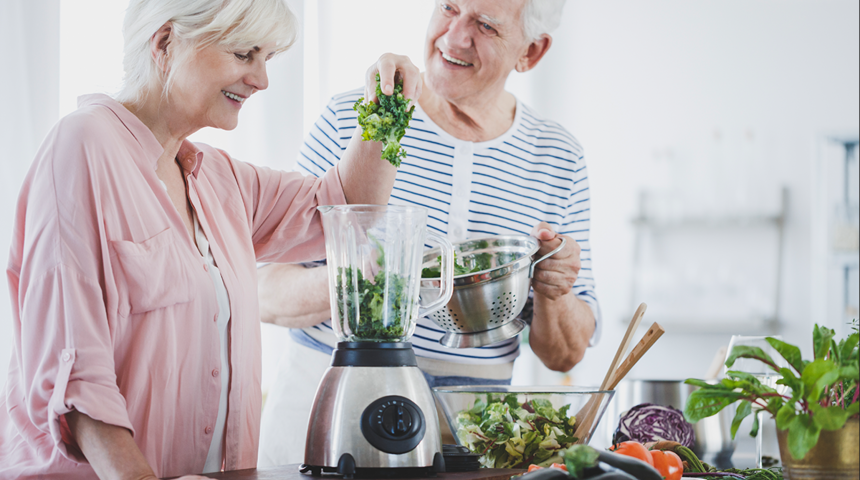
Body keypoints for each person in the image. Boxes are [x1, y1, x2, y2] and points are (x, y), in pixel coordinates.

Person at [0, 0, 421, 478]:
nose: (262, 80)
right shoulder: (81, 146)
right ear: (165, 42)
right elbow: (74, 371)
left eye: (267, 60)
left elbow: (343, 209)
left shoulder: (219, 180)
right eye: (245, 54)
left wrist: (389, 107)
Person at [257, 0, 600, 467]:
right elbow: (266, 291)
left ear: (531, 52)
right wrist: (362, 279)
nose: (455, 36)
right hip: (330, 402)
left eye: (485, 26)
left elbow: (566, 355)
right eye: (449, 8)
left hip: (472, 425)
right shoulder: (357, 118)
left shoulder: (558, 158)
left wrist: (554, 291)